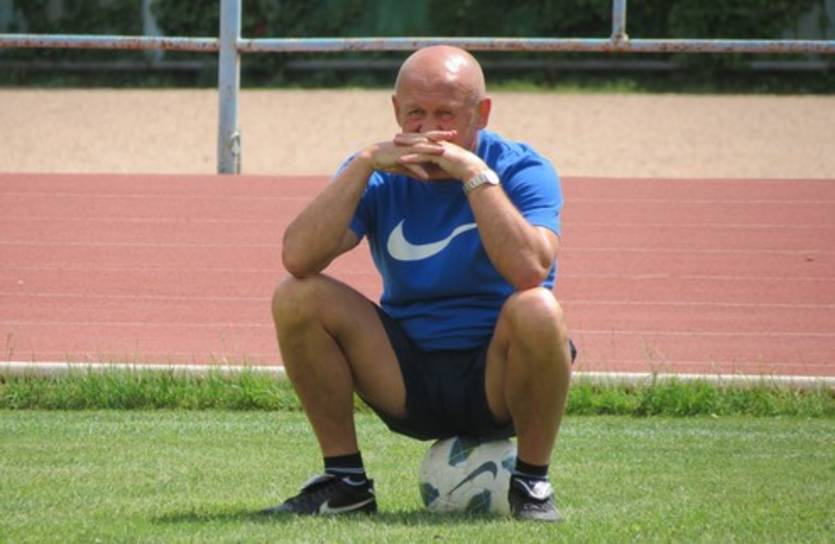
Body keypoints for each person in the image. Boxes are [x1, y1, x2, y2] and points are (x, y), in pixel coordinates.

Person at [263, 45, 575, 522]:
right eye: (415, 114)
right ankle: (345, 483)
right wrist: (363, 163)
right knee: (297, 296)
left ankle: (532, 483)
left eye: (445, 115)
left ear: (481, 113)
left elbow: (530, 269)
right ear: (396, 110)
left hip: (498, 378)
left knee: (538, 307)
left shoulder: (521, 168)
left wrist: (474, 175)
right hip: (407, 377)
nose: (429, 130)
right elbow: (298, 256)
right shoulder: (379, 173)